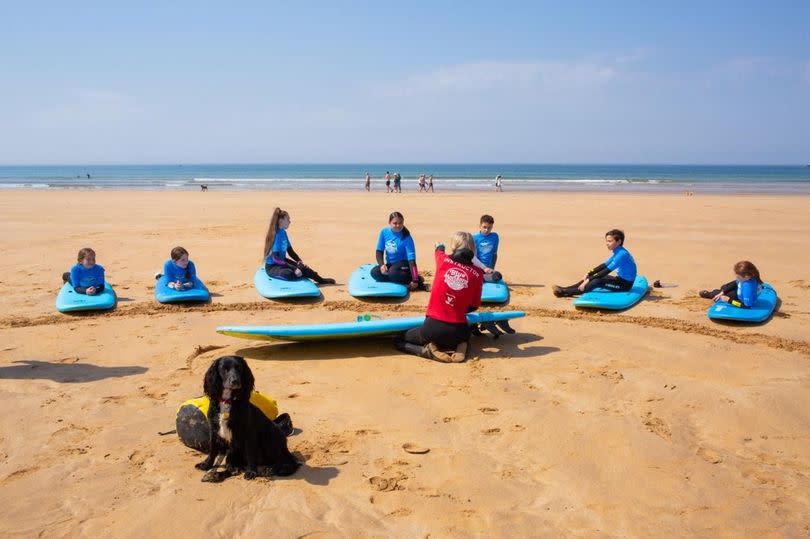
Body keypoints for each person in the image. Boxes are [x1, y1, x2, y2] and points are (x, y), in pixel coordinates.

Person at [395, 232, 484, 362]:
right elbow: (474, 306)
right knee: (464, 334)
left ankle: (427, 351)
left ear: (453, 248)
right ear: (473, 249)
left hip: (432, 329)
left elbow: (439, 250)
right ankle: (460, 347)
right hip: (459, 331)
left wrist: (440, 246)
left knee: (399, 339)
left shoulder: (443, 260)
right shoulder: (478, 274)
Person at [552, 229, 636, 297]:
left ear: (618, 242)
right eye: (606, 241)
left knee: (596, 282)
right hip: (619, 279)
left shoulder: (622, 255)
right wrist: (589, 273)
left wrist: (588, 280)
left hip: (624, 285)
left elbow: (606, 271)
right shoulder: (618, 252)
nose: (607, 243)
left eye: (610, 241)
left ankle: (564, 292)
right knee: (592, 277)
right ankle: (565, 288)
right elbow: (604, 265)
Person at [263, 208, 335, 284]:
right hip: (273, 266)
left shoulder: (283, 233)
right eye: (288, 219)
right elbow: (276, 259)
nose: (290, 222)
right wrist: (294, 268)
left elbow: (290, 251)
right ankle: (299, 273)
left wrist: (299, 261)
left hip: (282, 261)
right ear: (281, 220)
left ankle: (321, 280)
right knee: (289, 273)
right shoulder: (276, 235)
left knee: (302, 267)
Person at [370, 211, 424, 290]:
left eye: (400, 223)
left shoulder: (406, 237)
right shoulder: (384, 232)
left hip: (405, 265)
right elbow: (379, 251)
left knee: (392, 272)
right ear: (389, 223)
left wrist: (415, 280)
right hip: (391, 265)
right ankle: (398, 278)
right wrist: (382, 265)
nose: (398, 225)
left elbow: (412, 260)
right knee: (375, 273)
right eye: (395, 223)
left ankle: (418, 280)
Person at [472, 214, 503, 282]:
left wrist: (492, 268)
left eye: (489, 228)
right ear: (480, 226)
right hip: (477, 267)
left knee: (498, 276)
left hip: (488, 267)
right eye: (484, 227)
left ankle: (483, 278)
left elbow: (494, 254)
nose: (486, 230)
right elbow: (472, 256)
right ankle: (480, 278)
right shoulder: (474, 238)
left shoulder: (495, 237)